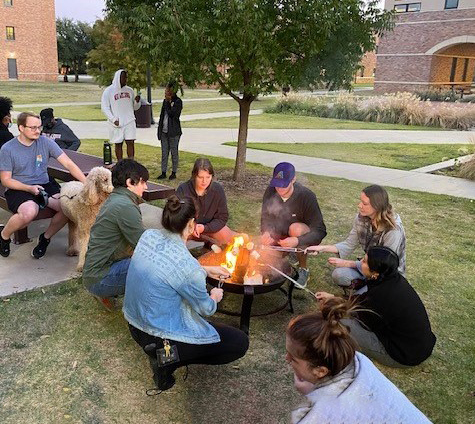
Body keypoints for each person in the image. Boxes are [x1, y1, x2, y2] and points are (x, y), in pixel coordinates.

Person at [123, 195, 249, 391]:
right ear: (191, 224)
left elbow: (168, 268)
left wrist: (204, 270)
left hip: (133, 323)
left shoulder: (149, 236)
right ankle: (167, 360)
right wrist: (215, 296)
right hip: (158, 334)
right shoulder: (188, 267)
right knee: (239, 342)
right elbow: (206, 309)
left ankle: (162, 352)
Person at [286, 298, 431, 423]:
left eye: (292, 358)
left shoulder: (316, 415)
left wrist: (313, 394)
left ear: (321, 371)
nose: (287, 359)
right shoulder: (358, 360)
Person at [316, 246, 436, 368]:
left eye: (364, 261)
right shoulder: (393, 280)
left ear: (375, 273)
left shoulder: (382, 294)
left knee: (337, 322)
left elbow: (360, 314)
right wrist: (333, 297)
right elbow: (363, 300)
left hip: (402, 355)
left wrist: (332, 307)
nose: (360, 262)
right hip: (419, 348)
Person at [0, 112, 86, 259]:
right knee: (29, 212)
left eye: (39, 127)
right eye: (33, 127)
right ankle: (4, 236)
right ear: (21, 128)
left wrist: (86, 183)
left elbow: (69, 164)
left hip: (45, 183)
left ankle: (45, 238)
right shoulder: (8, 149)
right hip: (20, 187)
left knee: (68, 207)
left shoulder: (46, 142)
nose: (38, 131)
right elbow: (6, 180)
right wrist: (29, 189)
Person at [307, 184, 405, 289]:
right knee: (339, 275)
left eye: (364, 203)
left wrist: (347, 263)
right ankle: (365, 284)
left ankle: (368, 288)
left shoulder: (393, 231)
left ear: (377, 206)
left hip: (385, 276)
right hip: (368, 267)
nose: (359, 205)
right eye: (360, 201)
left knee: (364, 300)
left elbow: (383, 265)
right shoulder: (361, 218)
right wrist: (322, 248)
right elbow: (349, 244)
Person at [82, 159, 148, 311]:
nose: (146, 186)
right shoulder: (124, 206)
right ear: (130, 182)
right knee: (151, 265)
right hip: (99, 278)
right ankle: (146, 311)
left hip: (95, 273)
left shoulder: (117, 199)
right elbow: (145, 247)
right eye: (143, 182)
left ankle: (106, 293)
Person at [260, 162, 326, 288]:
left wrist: (297, 240)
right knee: (269, 265)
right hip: (278, 235)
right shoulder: (270, 191)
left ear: (293, 179)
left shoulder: (306, 196)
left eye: (283, 185)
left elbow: (320, 229)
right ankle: (286, 253)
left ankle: (303, 269)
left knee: (295, 229)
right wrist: (266, 232)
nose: (279, 189)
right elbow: (265, 217)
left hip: (298, 235)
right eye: (277, 185)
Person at [176, 157, 236, 244]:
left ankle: (211, 246)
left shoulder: (217, 190)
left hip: (209, 228)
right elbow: (177, 216)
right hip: (188, 229)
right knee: (175, 237)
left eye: (208, 177)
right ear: (194, 176)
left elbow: (222, 217)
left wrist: (205, 228)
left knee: (229, 237)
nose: (204, 181)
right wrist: (191, 227)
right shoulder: (184, 189)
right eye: (200, 177)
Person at [101, 69, 141, 161]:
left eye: (126, 77)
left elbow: (134, 107)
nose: (126, 79)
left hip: (129, 120)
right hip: (117, 122)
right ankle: (120, 163)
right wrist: (113, 119)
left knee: (130, 142)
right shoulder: (109, 91)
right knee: (118, 144)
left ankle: (131, 163)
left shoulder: (130, 90)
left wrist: (137, 102)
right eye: (124, 77)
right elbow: (105, 107)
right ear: (118, 77)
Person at [157, 82, 183, 180]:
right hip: (164, 131)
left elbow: (172, 115)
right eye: (165, 90)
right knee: (164, 152)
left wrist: (168, 103)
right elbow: (162, 116)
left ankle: (173, 172)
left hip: (174, 132)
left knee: (174, 152)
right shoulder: (165, 102)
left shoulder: (178, 102)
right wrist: (159, 131)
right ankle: (163, 172)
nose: (166, 92)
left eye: (168, 90)